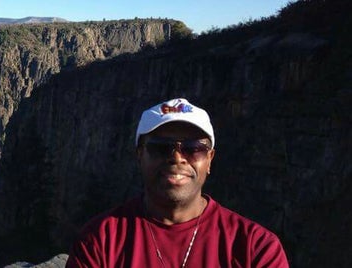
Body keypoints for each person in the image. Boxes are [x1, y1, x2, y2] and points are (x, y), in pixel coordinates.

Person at [66, 98, 289, 267]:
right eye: (161, 147)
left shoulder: (256, 248)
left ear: (209, 159)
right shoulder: (100, 241)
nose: (177, 157)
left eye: (194, 148)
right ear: (140, 155)